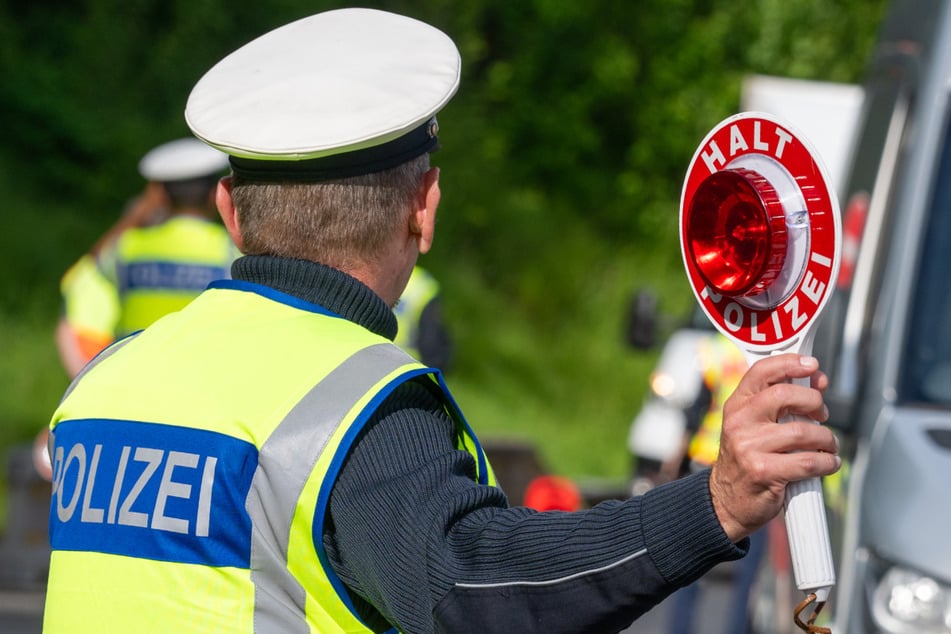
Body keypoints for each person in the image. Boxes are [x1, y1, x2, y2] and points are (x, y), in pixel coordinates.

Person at [42, 9, 841, 634]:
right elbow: (478, 593)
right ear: (423, 210)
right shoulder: (347, 405)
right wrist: (717, 504)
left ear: (228, 211)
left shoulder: (105, 385)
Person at [54, 137, 238, 379]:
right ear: (214, 195)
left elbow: (80, 280)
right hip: (200, 383)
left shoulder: (127, 249)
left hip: (132, 381)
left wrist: (135, 217)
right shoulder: (231, 251)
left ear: (160, 196)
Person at [664, 333, 767, 634]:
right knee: (749, 570)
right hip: (753, 468)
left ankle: (679, 629)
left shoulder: (714, 351)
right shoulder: (767, 352)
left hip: (707, 466)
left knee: (693, 557)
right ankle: (738, 629)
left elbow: (696, 412)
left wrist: (675, 459)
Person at [393, 264, 454, 370]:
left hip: (368, 360)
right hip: (409, 370)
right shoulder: (423, 284)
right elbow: (432, 343)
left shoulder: (368, 271)